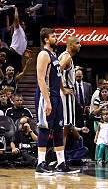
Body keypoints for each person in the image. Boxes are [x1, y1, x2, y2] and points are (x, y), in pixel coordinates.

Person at [35, 28, 78, 175]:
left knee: (59, 129)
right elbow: (40, 78)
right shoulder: (43, 54)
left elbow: (58, 77)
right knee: (45, 128)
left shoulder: (54, 55)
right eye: (53, 36)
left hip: (57, 96)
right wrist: (47, 101)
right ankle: (40, 163)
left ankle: (61, 163)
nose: (56, 38)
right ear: (46, 39)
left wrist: (62, 91)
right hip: (46, 96)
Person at [59, 36, 81, 148]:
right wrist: (63, 89)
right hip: (65, 94)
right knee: (65, 127)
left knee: (67, 127)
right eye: (77, 43)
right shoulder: (66, 57)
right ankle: (60, 159)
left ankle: (60, 158)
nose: (80, 45)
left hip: (67, 94)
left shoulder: (66, 56)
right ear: (70, 45)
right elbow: (57, 71)